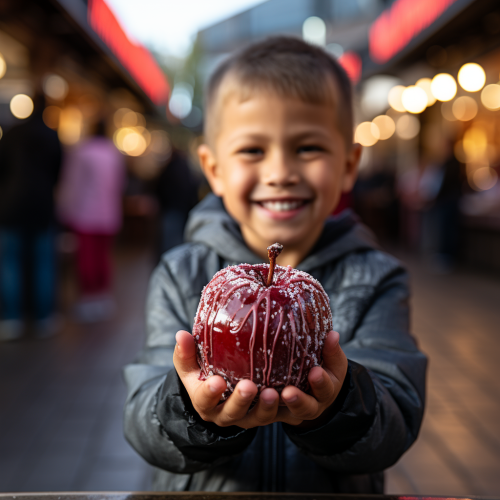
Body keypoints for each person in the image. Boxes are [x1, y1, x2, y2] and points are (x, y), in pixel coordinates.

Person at [123, 37, 427, 493]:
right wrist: (192, 410)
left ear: (349, 165)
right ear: (214, 169)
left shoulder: (377, 278)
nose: (280, 171)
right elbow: (142, 417)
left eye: (307, 148)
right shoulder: (181, 274)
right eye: (252, 151)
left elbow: (396, 415)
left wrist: (337, 406)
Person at [0, 94, 62, 340]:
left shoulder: (12, 133)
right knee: (43, 262)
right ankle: (43, 317)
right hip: (41, 207)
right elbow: (58, 173)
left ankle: (12, 317)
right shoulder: (51, 135)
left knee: (10, 262)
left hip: (10, 207)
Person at [57, 120, 125, 322]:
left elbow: (72, 183)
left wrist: (65, 210)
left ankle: (88, 297)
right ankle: (102, 295)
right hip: (109, 214)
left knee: (86, 257)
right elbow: (120, 185)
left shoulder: (82, 152)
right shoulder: (114, 154)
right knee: (103, 256)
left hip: (86, 214)